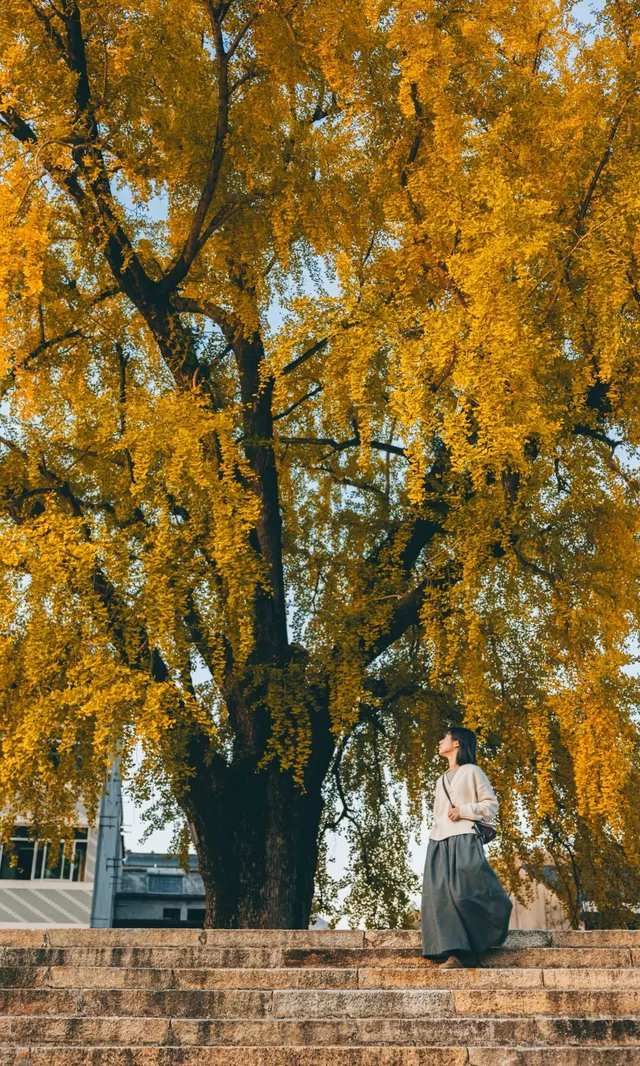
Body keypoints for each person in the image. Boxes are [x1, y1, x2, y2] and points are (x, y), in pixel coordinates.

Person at [421, 725, 512, 968]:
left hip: (464, 836)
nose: (440, 742)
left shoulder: (472, 771)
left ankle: (490, 925)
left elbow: (490, 805)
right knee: (440, 897)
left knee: (464, 892)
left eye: (444, 737)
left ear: (457, 742)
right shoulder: (440, 779)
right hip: (439, 840)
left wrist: (463, 811)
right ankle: (455, 952)